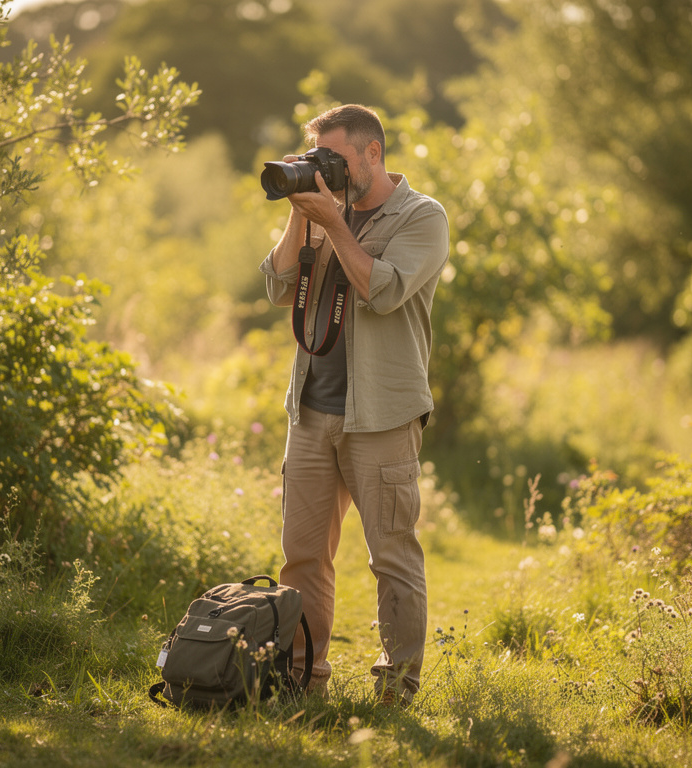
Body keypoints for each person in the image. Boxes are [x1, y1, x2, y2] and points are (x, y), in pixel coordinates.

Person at [259, 104, 449, 705]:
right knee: (303, 557)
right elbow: (276, 285)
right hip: (311, 411)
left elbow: (382, 290)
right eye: (318, 158)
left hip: (381, 416)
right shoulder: (321, 211)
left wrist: (334, 225)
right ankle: (303, 682)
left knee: (391, 556)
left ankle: (396, 691)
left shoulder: (422, 216)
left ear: (373, 152)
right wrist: (301, 214)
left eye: (335, 158)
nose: (327, 170)